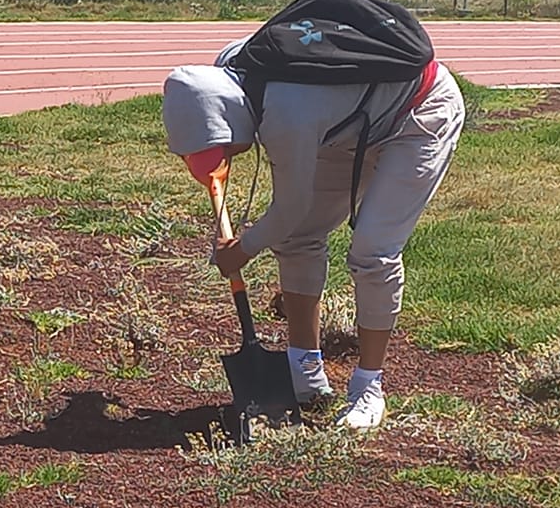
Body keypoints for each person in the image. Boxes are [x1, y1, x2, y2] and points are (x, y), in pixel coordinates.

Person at [161, 31, 465, 431]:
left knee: (373, 251)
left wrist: (243, 248)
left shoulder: (286, 115)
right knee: (298, 236)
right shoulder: (231, 68)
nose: (231, 157)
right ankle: (304, 371)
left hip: (418, 112)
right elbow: (292, 218)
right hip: (346, 124)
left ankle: (367, 390)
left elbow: (291, 206)